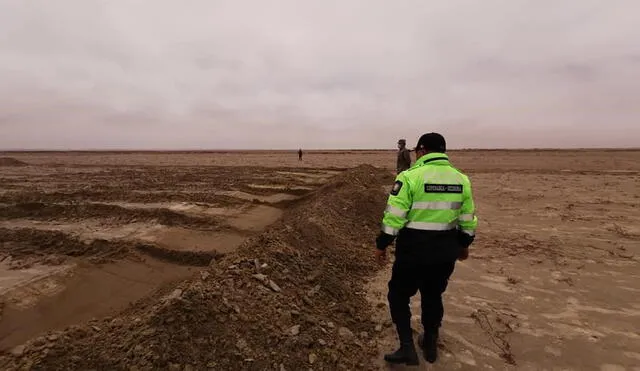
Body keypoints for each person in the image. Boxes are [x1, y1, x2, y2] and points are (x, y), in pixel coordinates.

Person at [375, 132, 478, 365]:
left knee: (398, 294)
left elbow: (394, 218)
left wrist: (381, 245)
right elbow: (468, 219)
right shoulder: (461, 179)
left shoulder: (409, 177)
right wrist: (463, 245)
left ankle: (407, 347)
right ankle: (430, 343)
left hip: (413, 252)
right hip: (444, 253)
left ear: (421, 151)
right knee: (433, 295)